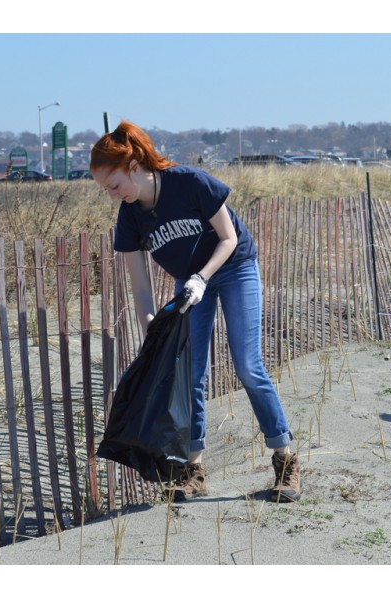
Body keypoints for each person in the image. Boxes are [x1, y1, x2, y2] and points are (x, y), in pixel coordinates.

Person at [90, 121, 301, 501]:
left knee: (248, 366)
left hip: (234, 268)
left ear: (134, 166)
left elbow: (228, 238)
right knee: (190, 374)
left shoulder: (189, 182)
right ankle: (194, 469)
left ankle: (285, 460)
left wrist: (202, 278)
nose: (112, 195)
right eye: (106, 189)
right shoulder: (130, 216)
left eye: (114, 185)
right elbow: (140, 287)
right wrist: (152, 330)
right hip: (189, 284)